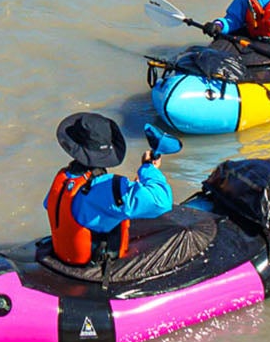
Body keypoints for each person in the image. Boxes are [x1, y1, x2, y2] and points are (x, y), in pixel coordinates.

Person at [43, 112, 173, 266]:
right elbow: (162, 201)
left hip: (65, 256)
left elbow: (50, 204)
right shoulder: (107, 186)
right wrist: (148, 169)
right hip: (94, 268)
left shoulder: (64, 177)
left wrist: (125, 193)